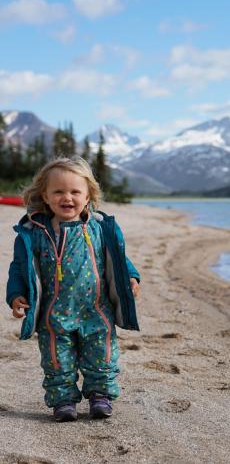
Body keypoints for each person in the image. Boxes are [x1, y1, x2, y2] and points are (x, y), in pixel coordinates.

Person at [6, 156, 140, 422]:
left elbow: (120, 259)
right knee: (57, 360)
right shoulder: (34, 233)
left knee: (102, 356)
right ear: (45, 195)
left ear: (88, 195)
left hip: (96, 310)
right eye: (58, 191)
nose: (67, 197)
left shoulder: (100, 229)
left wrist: (132, 278)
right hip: (54, 314)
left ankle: (100, 396)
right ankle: (63, 401)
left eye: (75, 191)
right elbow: (20, 268)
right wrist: (15, 294)